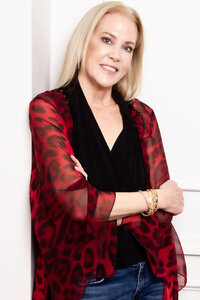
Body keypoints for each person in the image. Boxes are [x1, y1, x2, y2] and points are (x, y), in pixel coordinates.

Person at [29, 2, 186, 299]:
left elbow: (168, 210)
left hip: (152, 274)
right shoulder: (50, 109)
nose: (115, 55)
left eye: (127, 48)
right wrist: (152, 198)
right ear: (84, 41)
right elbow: (76, 205)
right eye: (106, 40)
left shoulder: (143, 117)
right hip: (91, 283)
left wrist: (100, 204)